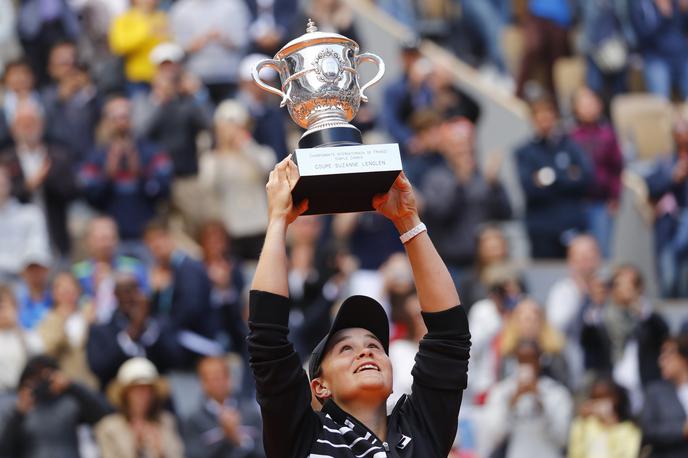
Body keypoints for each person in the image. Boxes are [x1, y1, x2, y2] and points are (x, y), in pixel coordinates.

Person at [248, 158, 471, 456]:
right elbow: (267, 339)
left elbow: (450, 336)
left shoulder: (420, 431)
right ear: (319, 387)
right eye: (345, 349)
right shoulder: (301, 438)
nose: (366, 351)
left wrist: (408, 220)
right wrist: (277, 221)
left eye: (375, 346)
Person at [80, 96, 172, 252]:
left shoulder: (151, 151)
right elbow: (90, 196)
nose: (120, 123)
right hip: (112, 242)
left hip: (146, 237)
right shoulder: (96, 156)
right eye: (115, 118)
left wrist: (141, 174)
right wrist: (107, 176)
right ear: (106, 122)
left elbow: (164, 190)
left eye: (124, 117)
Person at [580, 264, 669, 412]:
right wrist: (597, 301)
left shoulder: (648, 317)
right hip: (614, 392)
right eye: (618, 284)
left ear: (640, 287)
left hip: (645, 391)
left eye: (630, 284)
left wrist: (639, 308)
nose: (624, 290)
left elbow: (663, 334)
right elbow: (587, 340)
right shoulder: (601, 316)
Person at [515, 92, 594, 258]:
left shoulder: (570, 146)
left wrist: (550, 178)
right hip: (541, 230)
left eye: (548, 114)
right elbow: (530, 188)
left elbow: (586, 179)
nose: (544, 121)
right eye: (539, 116)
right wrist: (567, 176)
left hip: (571, 225)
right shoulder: (525, 152)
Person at [0, 99, 79, 257]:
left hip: (55, 228)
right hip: (17, 237)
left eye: (32, 122)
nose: (28, 128)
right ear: (14, 128)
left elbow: (72, 190)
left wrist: (46, 180)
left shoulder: (58, 156)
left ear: (41, 124)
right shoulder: (6, 160)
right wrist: (28, 186)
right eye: (23, 123)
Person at [200, 100, 276, 261]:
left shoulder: (258, 152)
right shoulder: (211, 160)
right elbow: (207, 184)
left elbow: (268, 166)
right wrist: (220, 147)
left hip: (259, 226)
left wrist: (244, 142)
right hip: (230, 230)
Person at [0, 355, 111, 457]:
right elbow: (5, 451)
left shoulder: (69, 403)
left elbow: (104, 413)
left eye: (46, 378)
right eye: (35, 379)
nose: (41, 384)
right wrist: (18, 414)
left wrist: (71, 386)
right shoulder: (17, 409)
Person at [481, 340, 573, 458]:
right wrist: (511, 404)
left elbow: (562, 439)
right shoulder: (502, 392)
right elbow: (492, 437)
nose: (526, 365)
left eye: (531, 359)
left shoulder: (557, 393)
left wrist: (541, 404)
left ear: (539, 360)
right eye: (521, 360)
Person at [569, 87, 624, 258]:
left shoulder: (608, 134)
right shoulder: (569, 136)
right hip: (575, 203)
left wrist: (614, 197)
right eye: (583, 103)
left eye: (591, 102)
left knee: (602, 253)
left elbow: (617, 167)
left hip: (600, 203)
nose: (588, 107)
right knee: (576, 252)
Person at [95, 357, 184, 458]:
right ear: (125, 395)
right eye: (137, 391)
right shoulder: (108, 428)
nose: (143, 396)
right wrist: (135, 445)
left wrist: (159, 448)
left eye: (148, 391)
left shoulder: (166, 422)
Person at [170, 0, 250, 104]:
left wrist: (222, 38)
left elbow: (242, 40)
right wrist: (203, 39)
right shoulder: (181, 8)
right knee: (200, 117)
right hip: (196, 78)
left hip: (229, 76)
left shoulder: (233, 5)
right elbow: (178, 47)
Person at [72, 216, 148, 324]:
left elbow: (145, 296)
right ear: (88, 241)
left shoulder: (133, 267)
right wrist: (96, 288)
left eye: (110, 238)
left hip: (128, 324)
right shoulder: (78, 273)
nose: (106, 244)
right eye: (101, 239)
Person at [183, 356, 263, 458]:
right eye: (210, 378)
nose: (217, 382)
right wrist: (226, 436)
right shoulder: (194, 420)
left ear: (229, 378)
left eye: (220, 376)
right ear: (203, 383)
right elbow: (193, 455)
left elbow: (266, 451)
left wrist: (241, 441)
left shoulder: (250, 412)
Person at [646, 117, 688, 297]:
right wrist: (673, 178)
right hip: (668, 227)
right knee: (668, 274)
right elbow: (651, 185)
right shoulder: (665, 161)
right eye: (678, 131)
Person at [37, 272, 99, 389]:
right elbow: (48, 353)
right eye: (63, 290)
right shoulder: (49, 320)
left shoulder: (88, 316)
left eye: (71, 289)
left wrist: (90, 324)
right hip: (63, 386)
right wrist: (62, 321)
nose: (68, 294)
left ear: (78, 291)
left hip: (90, 384)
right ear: (54, 294)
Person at [0, 164, 50, 282]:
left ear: (9, 183)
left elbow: (38, 249)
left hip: (23, 280)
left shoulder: (31, 214)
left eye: (2, 182)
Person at [641, 334, 688, 458]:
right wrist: (682, 430)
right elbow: (648, 430)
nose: (661, 361)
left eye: (668, 355)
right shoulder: (655, 392)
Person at [568, 378, 641, 458]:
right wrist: (581, 421)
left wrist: (611, 425)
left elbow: (628, 454)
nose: (600, 403)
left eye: (604, 397)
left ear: (616, 399)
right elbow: (575, 453)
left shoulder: (629, 429)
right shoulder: (583, 425)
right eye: (596, 398)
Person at [631, 0, 688, 99]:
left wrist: (685, 11)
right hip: (656, 59)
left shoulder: (677, 3)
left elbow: (683, 28)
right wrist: (663, 15)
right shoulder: (641, 5)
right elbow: (642, 37)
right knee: (660, 102)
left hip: (682, 57)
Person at [108, 0, 169, 93]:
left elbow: (168, 45)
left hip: (162, 77)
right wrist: (147, 31)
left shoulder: (161, 17)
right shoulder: (124, 19)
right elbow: (119, 46)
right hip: (138, 78)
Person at [0, 284, 42, 392]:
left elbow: (39, 363)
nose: (3, 312)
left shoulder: (29, 337)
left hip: (25, 394)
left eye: (4, 306)